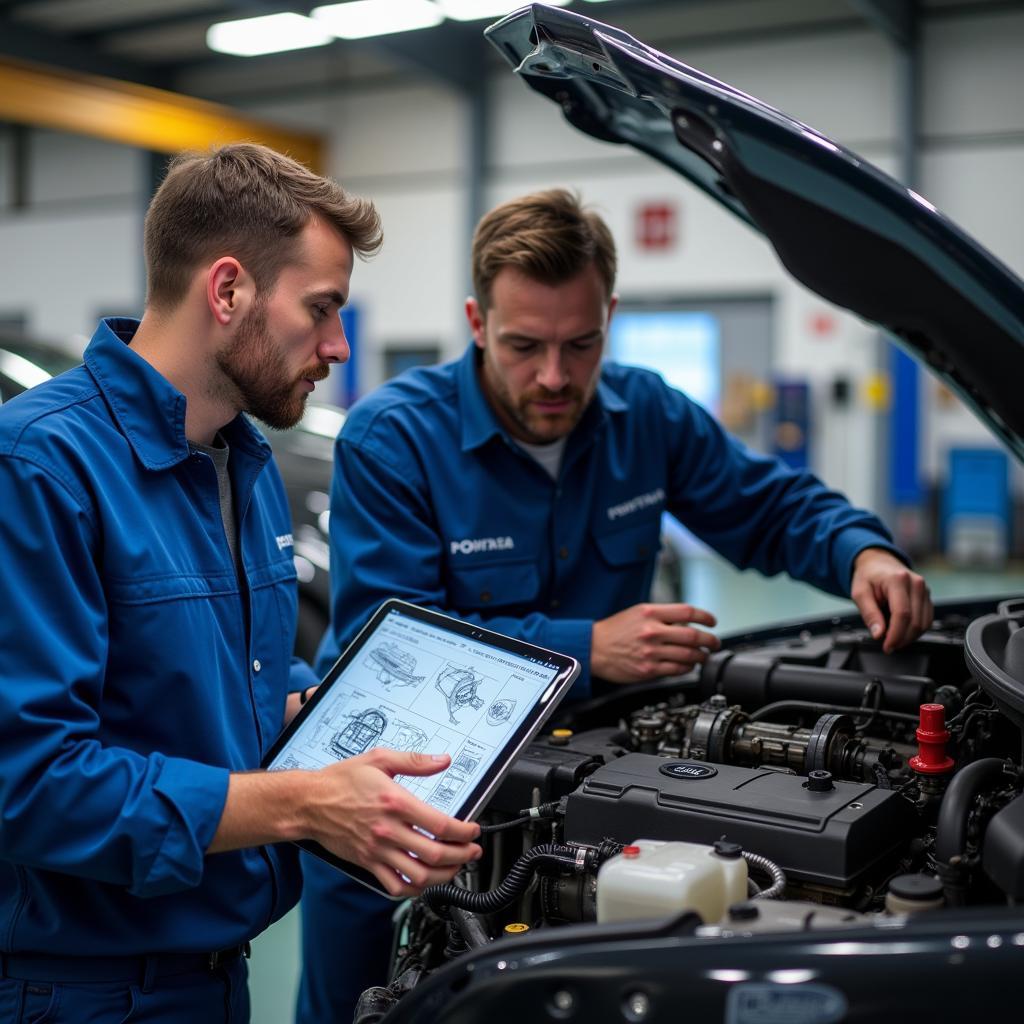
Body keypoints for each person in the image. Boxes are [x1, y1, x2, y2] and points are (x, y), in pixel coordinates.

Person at [296, 187, 934, 1021]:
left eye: (582, 344)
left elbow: (769, 507)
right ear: (477, 321)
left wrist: (862, 551)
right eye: (525, 345)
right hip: (412, 787)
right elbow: (400, 652)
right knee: (358, 996)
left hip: (586, 771)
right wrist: (587, 647)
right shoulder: (393, 439)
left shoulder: (650, 418)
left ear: (611, 316)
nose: (555, 376)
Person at [0, 143, 480, 1023]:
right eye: (322, 309)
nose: (338, 345)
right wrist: (301, 803)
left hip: (215, 974)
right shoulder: (38, 467)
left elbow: (222, 683)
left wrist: (321, 713)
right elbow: (26, 781)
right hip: (79, 992)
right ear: (228, 291)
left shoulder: (239, 460)